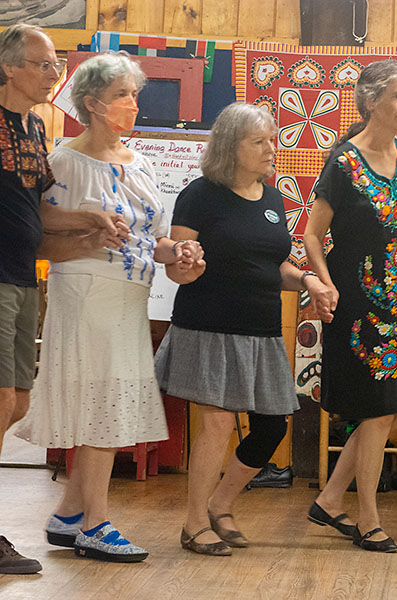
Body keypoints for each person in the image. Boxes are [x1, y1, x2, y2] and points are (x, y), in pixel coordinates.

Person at [14, 52, 203, 563]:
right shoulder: (65, 161)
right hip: (86, 293)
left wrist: (178, 253)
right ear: (93, 103)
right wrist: (87, 230)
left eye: (135, 94)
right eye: (122, 94)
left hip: (129, 296)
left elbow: (154, 240)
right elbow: (37, 230)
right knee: (103, 404)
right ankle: (95, 524)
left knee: (110, 398)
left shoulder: (140, 163)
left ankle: (70, 513)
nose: (133, 104)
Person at [154, 102, 321, 556]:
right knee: (218, 423)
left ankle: (221, 504)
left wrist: (307, 279)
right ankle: (193, 524)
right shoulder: (200, 194)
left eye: (273, 140)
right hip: (209, 325)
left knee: (271, 428)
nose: (272, 149)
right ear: (231, 146)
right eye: (259, 142)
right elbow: (177, 264)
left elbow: (273, 266)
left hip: (261, 329)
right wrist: (186, 263)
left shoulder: (271, 198)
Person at [304, 59, 397, 554]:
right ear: (371, 101)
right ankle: (368, 519)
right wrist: (325, 284)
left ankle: (329, 500)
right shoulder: (343, 163)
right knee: (378, 414)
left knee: (392, 414)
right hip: (355, 304)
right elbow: (313, 235)